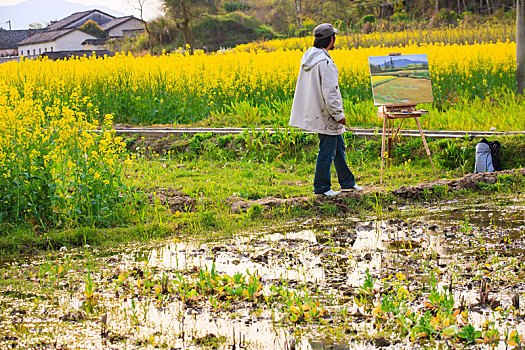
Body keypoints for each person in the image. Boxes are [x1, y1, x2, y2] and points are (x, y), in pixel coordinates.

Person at [289, 23, 363, 196]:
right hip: (326, 114)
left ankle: (347, 182)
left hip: (317, 112)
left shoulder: (310, 58)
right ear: (331, 39)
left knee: (338, 148)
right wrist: (339, 115)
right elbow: (330, 93)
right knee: (327, 151)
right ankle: (321, 188)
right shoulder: (326, 62)